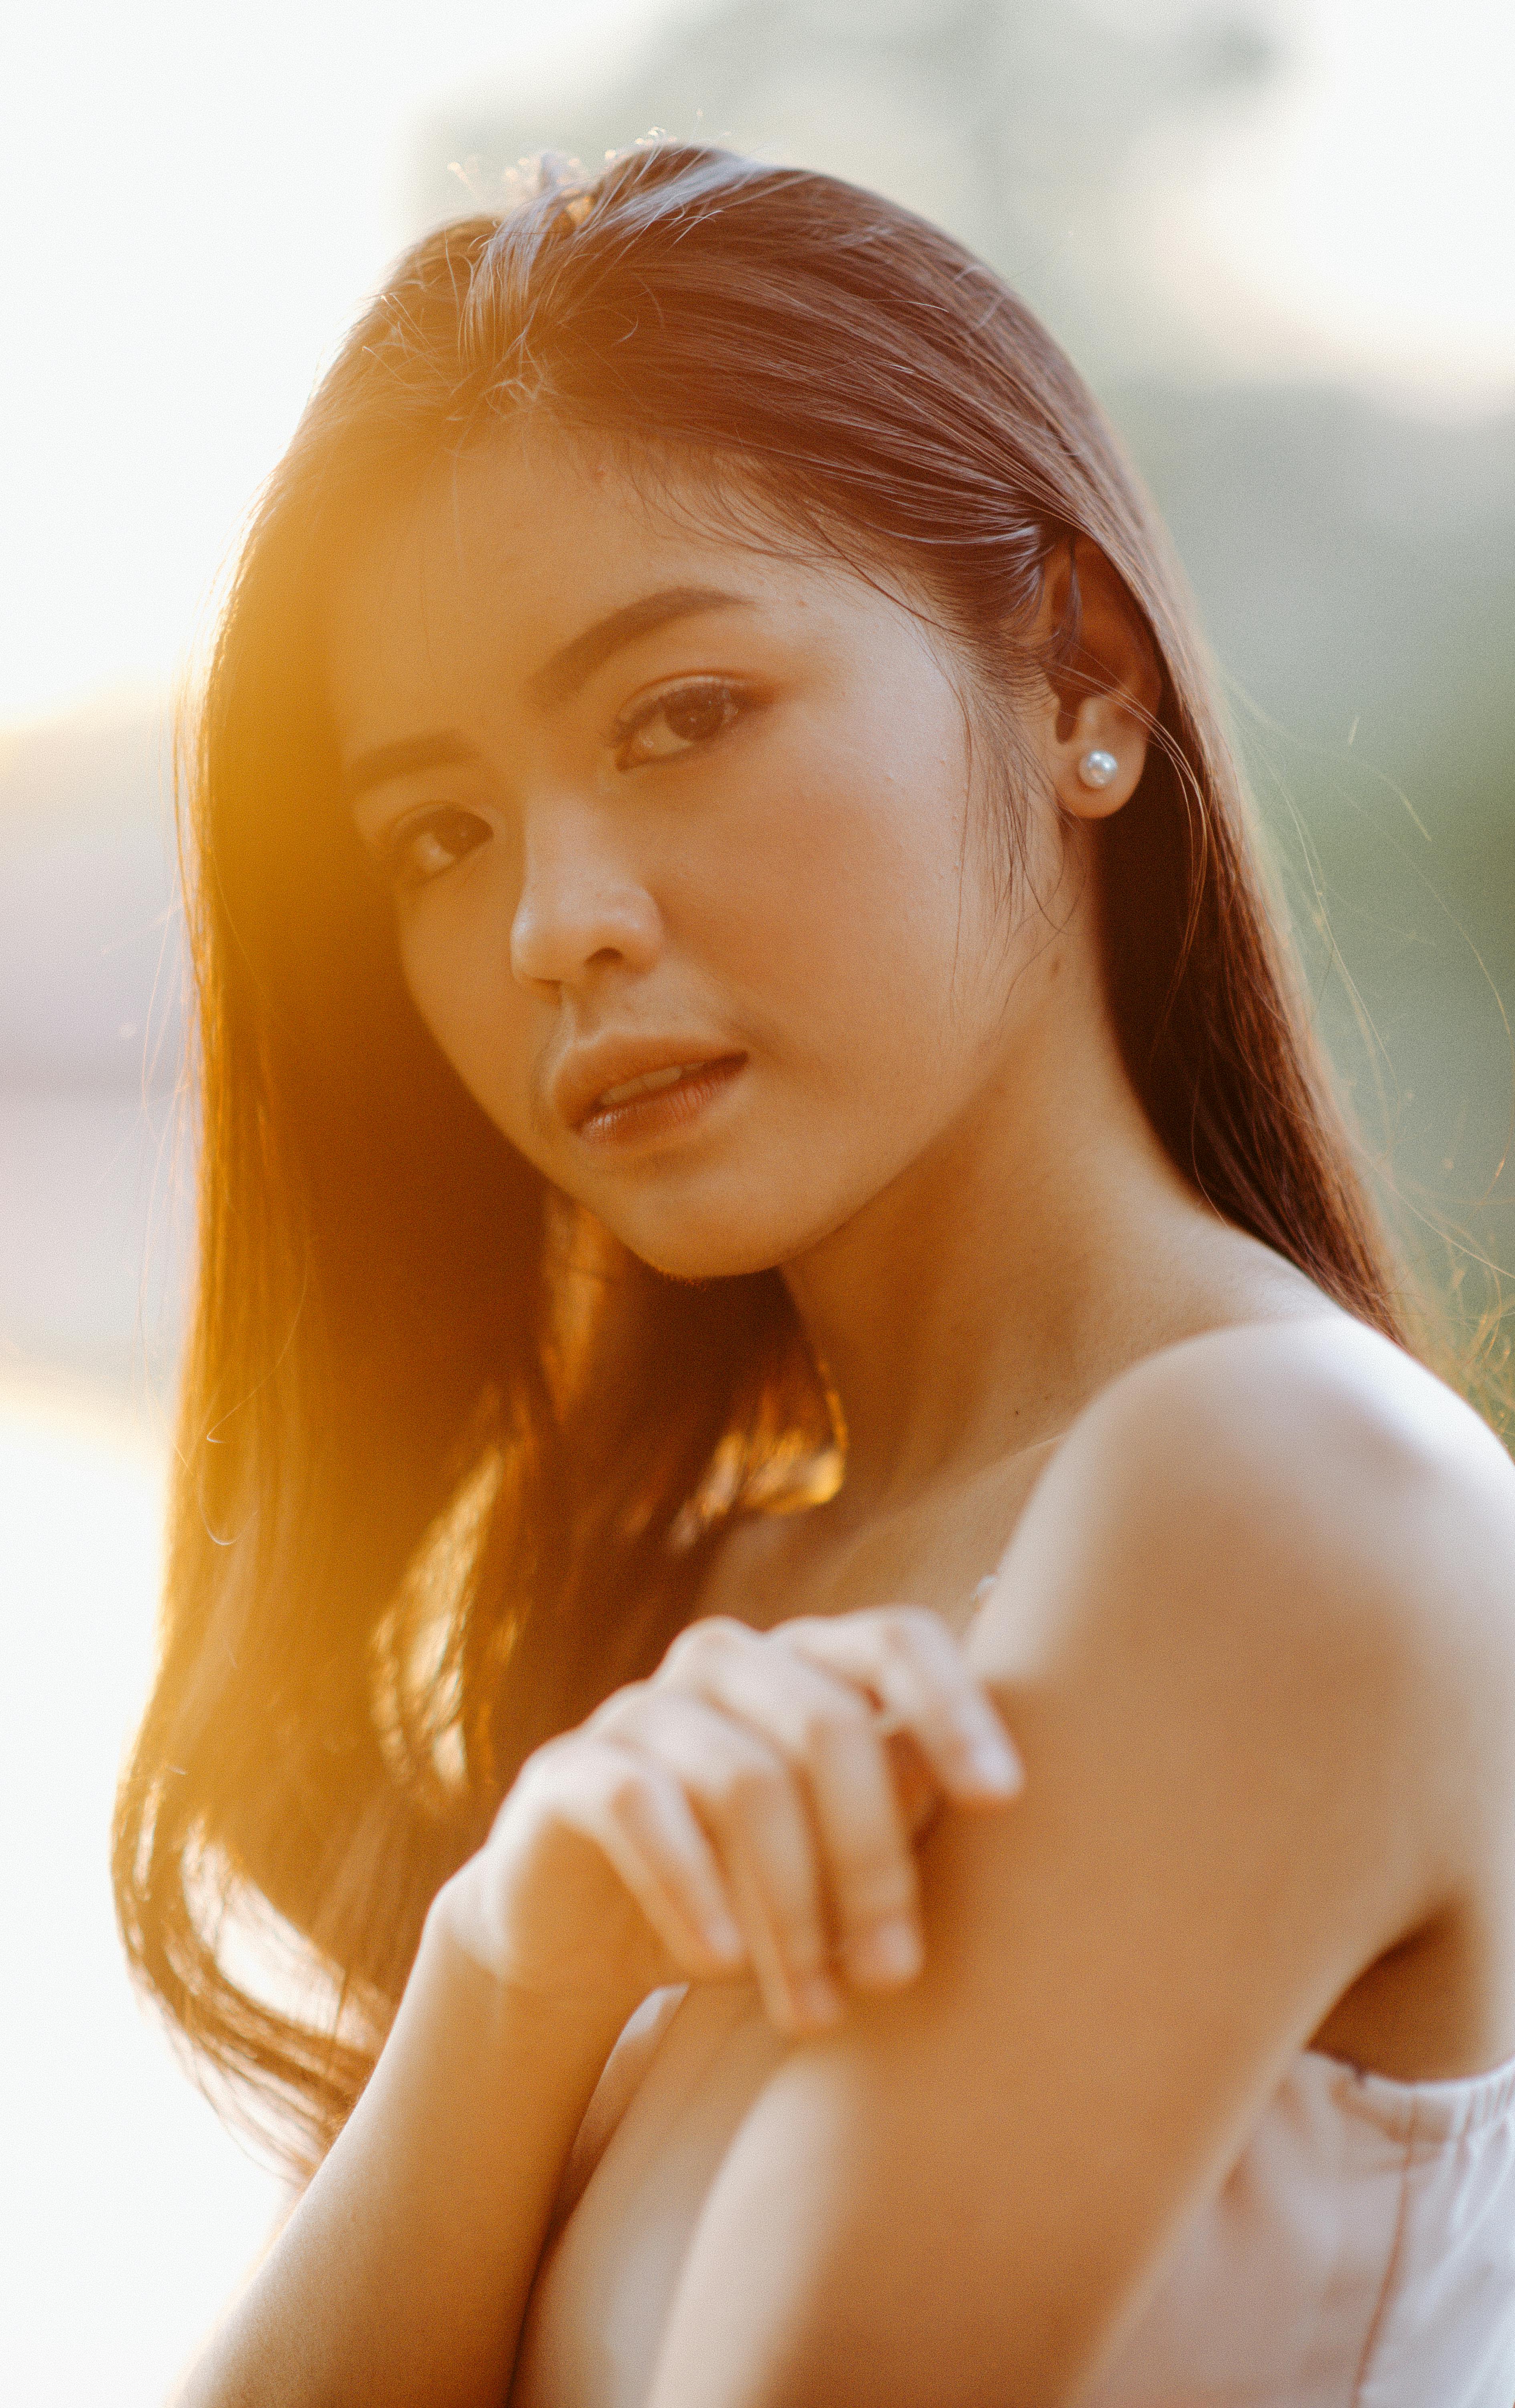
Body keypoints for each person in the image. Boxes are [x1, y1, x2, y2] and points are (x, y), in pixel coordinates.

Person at [116, 146, 1515, 2406]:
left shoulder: (1283, 1499)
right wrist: (501, 1975)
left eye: (680, 714)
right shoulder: (668, 1600)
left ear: (1078, 671)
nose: (551, 918)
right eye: (438, 834)